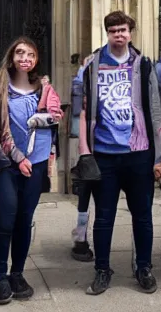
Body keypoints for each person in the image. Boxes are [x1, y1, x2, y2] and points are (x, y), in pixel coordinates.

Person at [79, 10, 161, 295]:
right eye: (114, 30)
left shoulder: (143, 64)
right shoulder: (92, 65)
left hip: (138, 152)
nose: (119, 34)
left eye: (123, 30)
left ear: (131, 33)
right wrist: (82, 152)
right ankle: (102, 270)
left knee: (142, 215)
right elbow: (80, 109)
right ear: (107, 33)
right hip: (104, 152)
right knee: (104, 217)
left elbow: (155, 109)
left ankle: (144, 268)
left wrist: (160, 156)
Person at [0, 37, 63, 304]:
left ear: (36, 59)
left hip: (35, 164)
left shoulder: (43, 88)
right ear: (11, 57)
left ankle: (17, 273)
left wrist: (47, 118)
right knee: (5, 218)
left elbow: (56, 117)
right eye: (20, 53)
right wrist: (14, 155)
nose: (25, 58)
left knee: (24, 219)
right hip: (5, 164)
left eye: (31, 54)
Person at [69, 54, 96, 262]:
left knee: (86, 196)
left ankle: (81, 237)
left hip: (94, 144)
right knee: (86, 195)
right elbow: (80, 111)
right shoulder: (85, 76)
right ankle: (80, 237)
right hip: (90, 145)